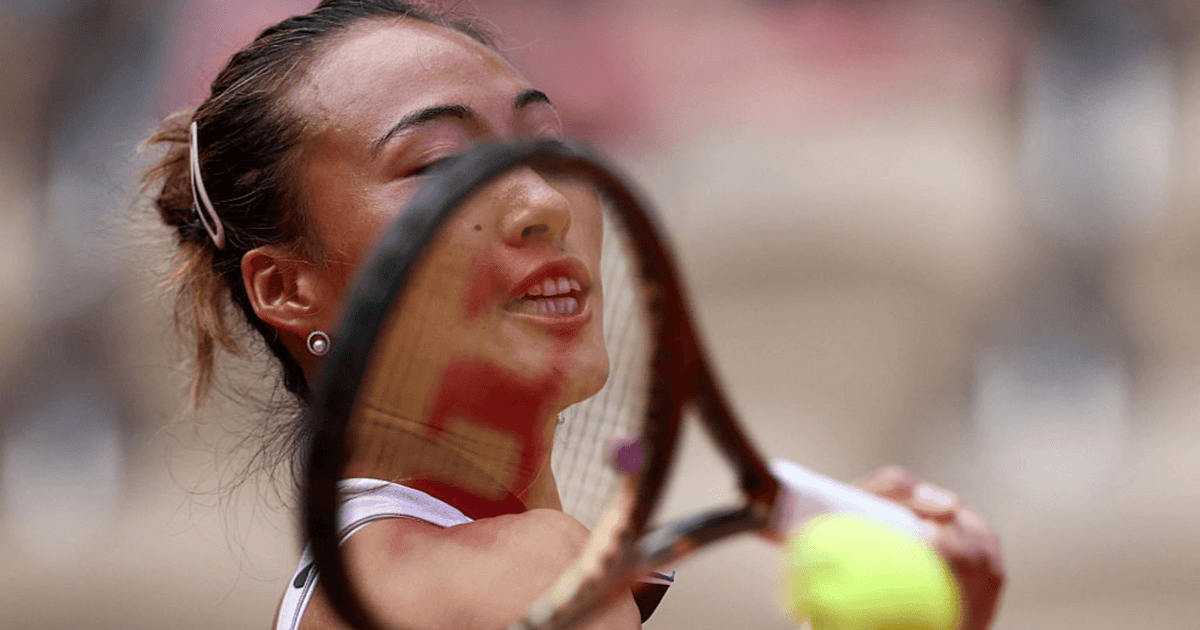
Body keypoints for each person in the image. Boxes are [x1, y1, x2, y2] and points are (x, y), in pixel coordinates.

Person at [142, 2, 1003, 629]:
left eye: (550, 146)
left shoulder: (364, 580)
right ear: (287, 287)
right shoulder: (523, 572)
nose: (544, 203)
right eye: (440, 165)